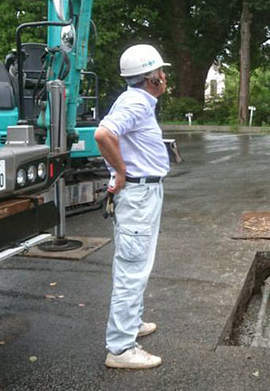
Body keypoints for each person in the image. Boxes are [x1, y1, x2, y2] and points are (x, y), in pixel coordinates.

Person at [95, 44, 170, 370]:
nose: (165, 77)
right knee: (132, 268)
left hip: (144, 194)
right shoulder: (137, 103)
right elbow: (103, 134)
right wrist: (122, 172)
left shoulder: (139, 101)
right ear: (152, 78)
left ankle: (131, 322)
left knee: (136, 263)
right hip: (138, 195)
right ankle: (121, 348)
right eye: (161, 73)